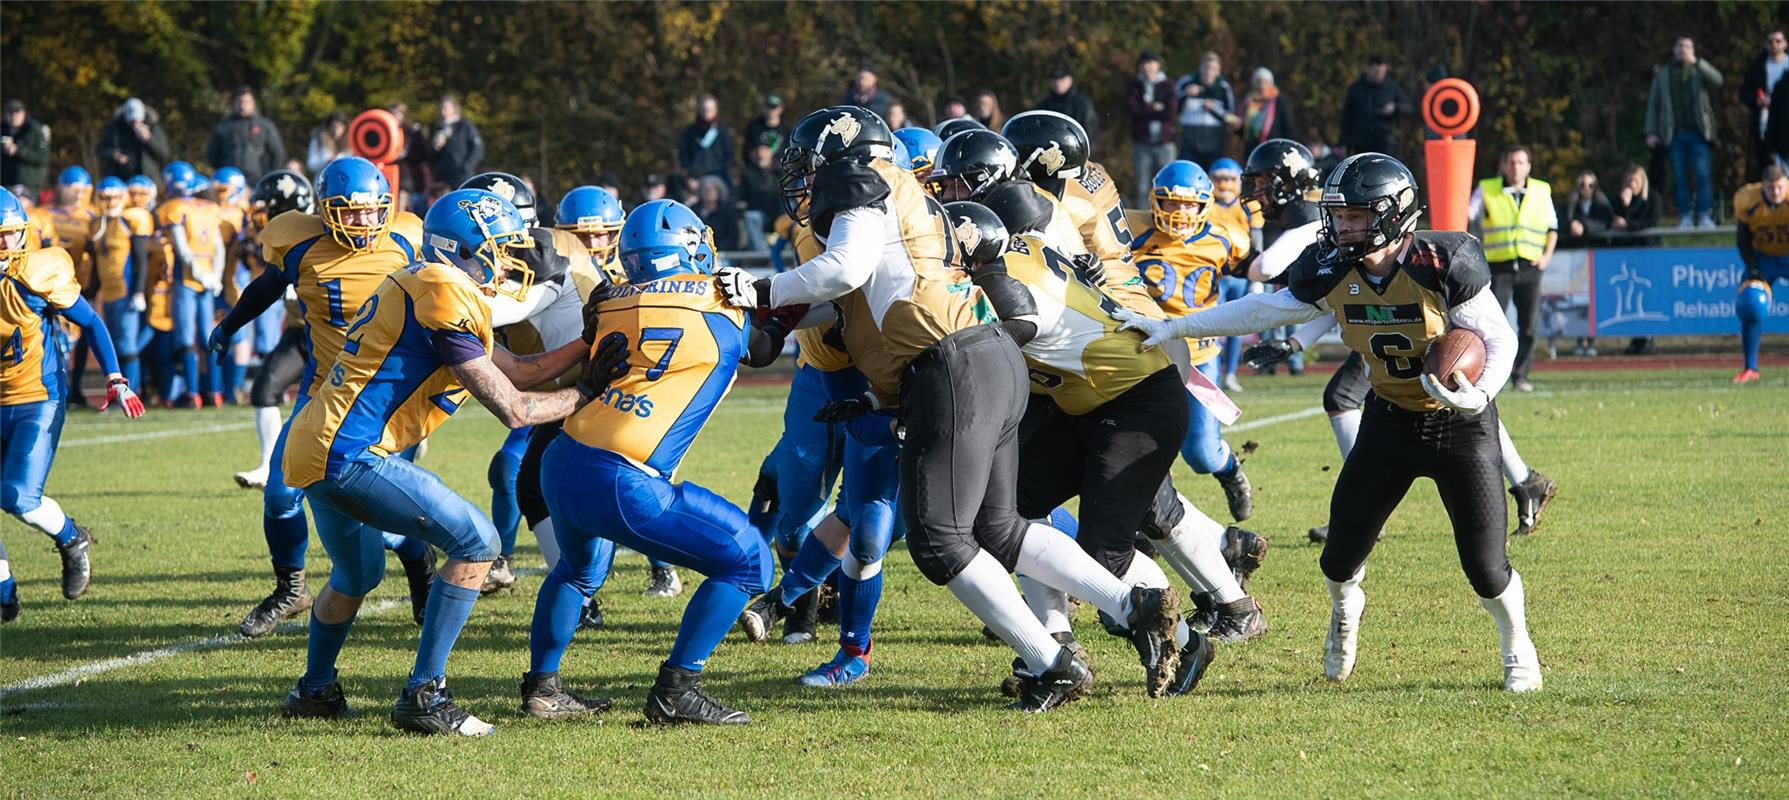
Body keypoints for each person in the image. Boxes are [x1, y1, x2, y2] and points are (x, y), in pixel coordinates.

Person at [717, 105, 1187, 711]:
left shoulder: (860, 180)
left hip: (950, 365)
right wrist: (775, 319)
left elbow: (846, 268)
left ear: (842, 152)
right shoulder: (907, 196)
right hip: (988, 358)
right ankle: (1131, 603)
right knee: (999, 527)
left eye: (810, 163)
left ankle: (1053, 662)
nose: (805, 179)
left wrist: (756, 289)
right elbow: (857, 292)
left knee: (940, 540)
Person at [1117, 154, 1543, 694]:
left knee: (1486, 567)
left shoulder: (1444, 260)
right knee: (1339, 557)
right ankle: (1346, 612)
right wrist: (1174, 326)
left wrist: (1477, 393)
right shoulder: (1331, 265)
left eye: (1355, 216)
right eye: (1338, 216)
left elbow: (1500, 339)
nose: (1341, 227)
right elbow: (1259, 311)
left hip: (1459, 425)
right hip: (1388, 422)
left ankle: (1517, 645)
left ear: (1393, 214)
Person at [276, 187, 617, 735]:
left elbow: (522, 371)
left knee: (356, 574)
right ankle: (424, 695)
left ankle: (315, 691)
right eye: (498, 249)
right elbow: (515, 407)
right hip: (350, 452)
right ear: (458, 249)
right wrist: (587, 393)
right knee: (478, 543)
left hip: (313, 444)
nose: (508, 262)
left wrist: (586, 344)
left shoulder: (429, 283)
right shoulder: (441, 289)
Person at [525, 198, 786, 725]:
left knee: (576, 573)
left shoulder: (607, 299)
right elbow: (762, 349)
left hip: (563, 457)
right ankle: (677, 690)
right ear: (689, 247)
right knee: (749, 560)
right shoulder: (721, 301)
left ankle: (543, 688)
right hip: (623, 477)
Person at [951, 192, 1211, 694]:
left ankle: (1187, 640)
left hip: (1137, 401)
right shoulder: (1022, 247)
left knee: (1102, 554)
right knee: (1009, 511)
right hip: (1088, 405)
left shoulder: (1006, 288)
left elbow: (997, 344)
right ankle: (1053, 645)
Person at [207, 158, 437, 639]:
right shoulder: (299, 240)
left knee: (391, 513)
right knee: (279, 494)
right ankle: (291, 588)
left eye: (373, 211)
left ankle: (420, 568)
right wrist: (229, 325)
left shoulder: (407, 239)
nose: (363, 221)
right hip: (322, 392)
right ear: (325, 210)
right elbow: (268, 287)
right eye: (349, 212)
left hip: (386, 397)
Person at [1, 189, 147, 624]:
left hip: (36, 400)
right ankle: (4, 592)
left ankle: (71, 539)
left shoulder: (34, 275)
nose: (5, 246)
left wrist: (115, 378)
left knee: (17, 496)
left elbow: (91, 321)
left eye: (10, 236)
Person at [1133, 161, 1255, 521]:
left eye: (1189, 204)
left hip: (1197, 357)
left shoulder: (1224, 237)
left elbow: (1256, 270)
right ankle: (1151, 519)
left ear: (1205, 205)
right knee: (1141, 446)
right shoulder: (1130, 230)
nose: (1180, 212)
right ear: (1156, 200)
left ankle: (1230, 469)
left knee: (1202, 453)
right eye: (1171, 202)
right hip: (1144, 356)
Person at [227, 169, 313, 489]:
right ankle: (268, 468)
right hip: (299, 333)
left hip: (337, 338)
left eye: (267, 210)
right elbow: (266, 288)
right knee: (264, 389)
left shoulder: (321, 237)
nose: (260, 218)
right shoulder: (279, 243)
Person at [1469, 145, 1557, 392]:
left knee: (1529, 326)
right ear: (1503, 165)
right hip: (1499, 267)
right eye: (1511, 162)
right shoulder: (1487, 189)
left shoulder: (1542, 190)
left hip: (1531, 266)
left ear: (1528, 166)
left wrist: (1546, 257)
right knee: (1491, 324)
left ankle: (1521, 376)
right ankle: (1486, 376)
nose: (1516, 167)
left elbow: (1553, 227)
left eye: (1521, 162)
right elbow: (1467, 213)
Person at [156, 162, 227, 407]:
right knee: (208, 337)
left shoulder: (173, 208)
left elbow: (182, 250)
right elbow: (219, 247)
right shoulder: (210, 209)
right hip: (207, 278)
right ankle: (214, 392)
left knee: (188, 339)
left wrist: (202, 275)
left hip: (188, 280)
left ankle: (194, 393)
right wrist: (214, 275)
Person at [1645, 37, 1724, 228]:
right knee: (1679, 177)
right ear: (1674, 50)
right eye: (1680, 46)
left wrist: (1698, 62)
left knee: (1702, 175)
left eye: (1688, 46)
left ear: (1693, 50)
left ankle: (1705, 215)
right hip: (1674, 135)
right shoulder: (1663, 74)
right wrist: (1651, 132)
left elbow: (1718, 81)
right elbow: (1653, 105)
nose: (1683, 50)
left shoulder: (1699, 70)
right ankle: (1685, 216)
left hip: (1699, 133)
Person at [86, 177, 156, 389]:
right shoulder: (96, 223)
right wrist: (91, 293)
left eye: (114, 197)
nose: (109, 202)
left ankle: (131, 391)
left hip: (127, 292)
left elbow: (140, 259)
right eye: (105, 197)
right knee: (116, 346)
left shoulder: (131, 219)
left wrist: (138, 292)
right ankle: (121, 391)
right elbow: (98, 264)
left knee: (127, 346)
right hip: (108, 293)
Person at [1732, 163, 1789, 383]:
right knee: (1750, 303)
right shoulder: (1748, 200)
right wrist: (1753, 267)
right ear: (1762, 187)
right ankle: (1751, 368)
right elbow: (1743, 239)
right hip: (1764, 258)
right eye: (1770, 188)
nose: (1775, 193)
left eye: (1780, 188)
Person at [1208, 158, 1262, 392]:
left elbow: (1257, 242)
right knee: (1208, 328)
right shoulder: (1204, 204)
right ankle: (1210, 374)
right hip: (1213, 275)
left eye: (1230, 179)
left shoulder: (1249, 206)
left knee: (1235, 330)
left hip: (1239, 276)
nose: (1225, 184)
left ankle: (1229, 374)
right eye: (1220, 178)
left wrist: (1256, 279)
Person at [1127, 52, 1178, 207]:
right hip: (1142, 143)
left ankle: (1167, 213)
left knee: (1168, 184)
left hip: (1165, 143)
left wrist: (1146, 109)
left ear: (1158, 65)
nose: (1148, 66)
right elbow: (1132, 110)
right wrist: (1155, 108)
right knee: (1142, 186)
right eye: (1145, 63)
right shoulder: (1135, 86)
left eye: (1152, 62)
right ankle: (1143, 219)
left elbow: (1171, 111)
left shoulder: (1168, 84)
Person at [205, 87, 286, 184]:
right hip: (229, 181)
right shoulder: (223, 126)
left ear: (253, 103)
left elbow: (278, 154)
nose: (242, 106)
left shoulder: (265, 126)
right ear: (234, 103)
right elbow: (212, 154)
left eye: (246, 102)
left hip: (257, 181)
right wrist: (224, 171)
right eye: (239, 102)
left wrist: (267, 176)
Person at [1338, 57, 1413, 160]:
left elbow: (1408, 107)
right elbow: (1347, 118)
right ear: (1368, 69)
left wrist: (1395, 107)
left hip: (1384, 142)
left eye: (1382, 72)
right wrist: (1343, 143)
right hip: (1361, 143)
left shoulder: (1391, 87)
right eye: (1377, 72)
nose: (1380, 75)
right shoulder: (1356, 89)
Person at [1739, 30, 1788, 179]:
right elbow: (1745, 93)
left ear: (1785, 43)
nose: (1774, 45)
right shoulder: (1758, 65)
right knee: (1769, 167)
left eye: (1778, 41)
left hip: (1785, 121)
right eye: (1770, 42)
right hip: (1765, 123)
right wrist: (1756, 100)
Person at [1176, 52, 1234, 168]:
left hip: (1214, 141)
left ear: (1218, 71)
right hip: (1189, 140)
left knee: (1213, 176)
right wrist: (1186, 94)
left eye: (1213, 69)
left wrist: (1214, 108)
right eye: (1206, 68)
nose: (1209, 72)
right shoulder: (1186, 82)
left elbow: (1230, 115)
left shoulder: (1223, 87)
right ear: (1200, 68)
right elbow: (1172, 107)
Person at [95, 98, 170, 180]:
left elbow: (164, 154)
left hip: (148, 180)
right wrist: (114, 155)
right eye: (132, 120)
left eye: (138, 119)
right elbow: (100, 150)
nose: (135, 123)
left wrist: (149, 140)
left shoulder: (153, 127)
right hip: (120, 181)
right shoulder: (114, 128)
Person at [1033, 66, 1099, 151]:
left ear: (1070, 80)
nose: (1058, 83)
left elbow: (1091, 132)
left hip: (1076, 152)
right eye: (1055, 80)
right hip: (1048, 153)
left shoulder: (1082, 103)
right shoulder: (1044, 104)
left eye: (1062, 79)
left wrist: (1085, 154)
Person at [430, 95, 484, 189]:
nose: (443, 111)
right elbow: (431, 157)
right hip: (443, 177)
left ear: (454, 108)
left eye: (446, 108)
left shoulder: (465, 126)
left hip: (462, 176)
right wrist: (436, 147)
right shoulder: (439, 128)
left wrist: (466, 167)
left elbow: (477, 149)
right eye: (442, 108)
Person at [679, 95, 735, 186]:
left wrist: (724, 172)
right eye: (704, 109)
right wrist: (689, 173)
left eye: (709, 109)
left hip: (719, 177)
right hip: (696, 179)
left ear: (715, 110)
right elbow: (683, 153)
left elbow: (729, 154)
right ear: (699, 110)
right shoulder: (690, 131)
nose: (706, 112)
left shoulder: (723, 131)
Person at [1239, 68, 1297, 149]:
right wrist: (1238, 126)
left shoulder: (1280, 101)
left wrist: (1286, 147)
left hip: (1275, 147)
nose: (1262, 85)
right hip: (1253, 148)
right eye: (1259, 82)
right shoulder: (1248, 103)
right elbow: (1245, 133)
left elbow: (1288, 127)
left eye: (1265, 82)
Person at [1, 100, 50, 194]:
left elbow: (43, 158)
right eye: (10, 112)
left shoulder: (35, 131)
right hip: (4, 186)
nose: (13, 116)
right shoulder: (2, 128)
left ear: (23, 113)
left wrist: (18, 150)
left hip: (28, 188)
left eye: (17, 112)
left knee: (20, 203)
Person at [693, 175, 742, 251]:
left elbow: (733, 237)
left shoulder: (728, 212)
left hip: (724, 253)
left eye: (713, 189)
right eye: (706, 189)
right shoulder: (693, 212)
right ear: (700, 192)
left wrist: (716, 250)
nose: (709, 192)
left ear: (719, 191)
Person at [1611, 164, 1661, 233]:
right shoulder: (1618, 198)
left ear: (1643, 181)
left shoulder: (1653, 197)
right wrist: (1625, 205)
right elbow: (1615, 220)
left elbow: (1653, 222)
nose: (1632, 184)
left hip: (1645, 241)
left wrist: (1628, 225)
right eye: (1629, 180)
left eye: (1636, 180)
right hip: (1624, 241)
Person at [1565, 170, 1616, 237]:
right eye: (1582, 185)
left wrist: (1584, 227)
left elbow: (1604, 223)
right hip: (1575, 245)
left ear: (1595, 187)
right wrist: (1571, 225)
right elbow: (1562, 220)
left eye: (1590, 185)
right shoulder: (1571, 203)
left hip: (1597, 245)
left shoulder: (1602, 203)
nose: (1586, 188)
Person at [741, 95, 788, 162]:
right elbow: (746, 151)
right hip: (755, 170)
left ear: (781, 108)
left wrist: (771, 156)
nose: (770, 110)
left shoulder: (786, 130)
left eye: (773, 107)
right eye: (768, 106)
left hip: (779, 170)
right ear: (763, 107)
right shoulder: (753, 127)